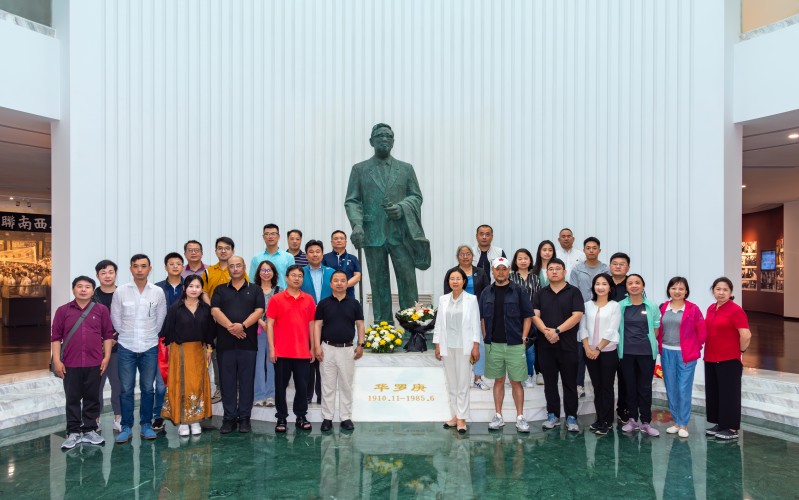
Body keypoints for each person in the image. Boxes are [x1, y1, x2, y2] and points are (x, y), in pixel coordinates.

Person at [344, 123, 431, 324]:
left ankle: (412, 327)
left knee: (408, 280)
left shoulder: (406, 169)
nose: (384, 139)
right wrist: (357, 225)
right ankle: (383, 328)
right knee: (378, 283)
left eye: (388, 136)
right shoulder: (360, 169)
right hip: (372, 234)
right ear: (371, 141)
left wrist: (402, 207)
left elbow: (416, 196)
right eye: (380, 135)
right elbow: (352, 200)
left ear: (393, 141)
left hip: (401, 234)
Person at [52, 276, 114, 449]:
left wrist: (107, 357)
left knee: (92, 398)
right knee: (72, 398)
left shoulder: (101, 310)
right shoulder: (63, 311)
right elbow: (55, 338)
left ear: (93, 291)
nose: (83, 289)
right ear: (73, 289)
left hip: (94, 362)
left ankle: (90, 430)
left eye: (87, 287)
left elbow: (108, 335)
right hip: (70, 363)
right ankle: (73, 432)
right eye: (79, 286)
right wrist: (57, 360)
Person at [110, 254, 168, 443]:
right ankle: (126, 426)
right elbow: (115, 318)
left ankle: (146, 425)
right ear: (130, 269)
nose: (140, 270)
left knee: (148, 389)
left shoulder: (157, 292)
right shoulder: (121, 291)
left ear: (150, 268)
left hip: (150, 346)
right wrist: (126, 335)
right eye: (136, 266)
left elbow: (161, 318)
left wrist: (150, 335)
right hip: (126, 346)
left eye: (143, 266)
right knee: (126, 389)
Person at [210, 256, 265, 434]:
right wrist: (231, 327)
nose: (235, 269)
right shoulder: (220, 290)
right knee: (227, 382)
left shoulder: (255, 289)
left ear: (244, 267)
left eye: (238, 265)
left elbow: (259, 311)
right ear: (228, 269)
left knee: (247, 382)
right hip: (225, 345)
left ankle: (245, 418)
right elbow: (215, 310)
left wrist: (243, 326)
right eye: (232, 266)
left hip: (248, 344)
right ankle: (229, 418)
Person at [479, 257, 534, 433]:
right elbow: (482, 317)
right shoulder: (486, 292)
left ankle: (520, 417)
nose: (501, 272)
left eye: (504, 269)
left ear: (509, 270)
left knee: (516, 381)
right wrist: (485, 336)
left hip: (515, 344)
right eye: (497, 269)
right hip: (493, 345)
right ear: (493, 271)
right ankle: (498, 416)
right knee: (498, 380)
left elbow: (528, 316)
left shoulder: (519, 290)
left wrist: (523, 338)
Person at [532, 258, 585, 432]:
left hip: (568, 347)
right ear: (546, 273)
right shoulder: (540, 293)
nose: (554, 271)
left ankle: (571, 417)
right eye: (551, 269)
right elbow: (534, 316)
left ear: (564, 272)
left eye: (558, 268)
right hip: (545, 346)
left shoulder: (574, 292)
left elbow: (577, 315)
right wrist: (546, 332)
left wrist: (557, 331)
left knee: (570, 383)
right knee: (550, 383)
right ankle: (552, 415)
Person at [158, 274, 214, 436]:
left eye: (197, 286)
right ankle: (182, 421)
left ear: (202, 289)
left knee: (197, 385)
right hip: (179, 351)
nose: (194, 289)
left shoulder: (206, 309)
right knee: (180, 384)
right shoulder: (175, 308)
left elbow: (210, 332)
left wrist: (209, 349)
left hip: (199, 351)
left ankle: (195, 420)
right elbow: (167, 331)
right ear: (184, 288)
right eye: (191, 286)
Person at [313, 270, 366, 432]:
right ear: (331, 284)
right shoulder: (323, 304)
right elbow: (317, 325)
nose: (339, 283)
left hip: (347, 349)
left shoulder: (354, 304)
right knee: (327, 385)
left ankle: (345, 417)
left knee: (346, 385)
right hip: (327, 349)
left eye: (343, 280)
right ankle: (327, 418)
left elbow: (360, 325)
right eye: (336, 280)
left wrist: (361, 344)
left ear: (347, 283)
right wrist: (316, 346)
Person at [267, 265, 317, 432]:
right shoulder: (276, 299)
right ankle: (281, 417)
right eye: (293, 275)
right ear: (286, 278)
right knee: (280, 387)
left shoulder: (308, 299)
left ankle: (301, 416)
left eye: (300, 276)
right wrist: (272, 349)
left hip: (302, 352)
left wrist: (312, 348)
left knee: (302, 387)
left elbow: (312, 325)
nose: (297, 278)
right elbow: (270, 324)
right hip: (281, 352)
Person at [658, 277, 706, 438]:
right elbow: (657, 329)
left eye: (681, 288)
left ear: (686, 291)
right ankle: (676, 422)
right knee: (671, 388)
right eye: (673, 288)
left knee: (683, 388)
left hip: (686, 354)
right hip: (667, 352)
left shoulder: (693, 309)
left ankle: (684, 424)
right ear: (669, 290)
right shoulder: (663, 308)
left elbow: (702, 332)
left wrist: (695, 348)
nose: (677, 291)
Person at [434, 268, 481, 433]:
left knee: (462, 383)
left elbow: (475, 324)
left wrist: (476, 346)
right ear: (448, 282)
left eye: (458, 279)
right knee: (452, 384)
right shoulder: (443, 299)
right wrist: (437, 344)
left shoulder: (471, 299)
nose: (455, 281)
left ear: (464, 281)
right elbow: (439, 323)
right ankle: (455, 415)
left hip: (464, 347)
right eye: (452, 279)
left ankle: (462, 418)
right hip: (447, 346)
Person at [704, 277, 752, 440]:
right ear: (713, 290)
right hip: (711, 357)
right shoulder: (711, 308)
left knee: (729, 394)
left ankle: (731, 428)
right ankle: (720, 423)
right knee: (715, 392)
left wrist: (741, 350)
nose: (721, 292)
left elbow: (746, 334)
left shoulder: (736, 310)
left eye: (725, 290)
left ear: (730, 292)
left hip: (729, 359)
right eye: (718, 289)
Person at [618, 274, 661, 436]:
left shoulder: (651, 305)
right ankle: (632, 420)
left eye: (637, 283)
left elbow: (656, 330)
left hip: (646, 353)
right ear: (626, 287)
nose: (634, 285)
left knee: (645, 388)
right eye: (630, 283)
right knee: (629, 387)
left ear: (643, 286)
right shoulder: (621, 306)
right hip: (626, 353)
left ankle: (646, 422)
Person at [578, 273, 621, 436]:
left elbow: (612, 329)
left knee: (606, 386)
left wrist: (598, 349)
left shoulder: (614, 306)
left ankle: (607, 421)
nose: (600, 287)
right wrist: (587, 348)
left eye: (604, 284)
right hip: (589, 352)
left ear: (610, 287)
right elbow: (582, 328)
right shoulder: (587, 305)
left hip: (607, 351)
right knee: (597, 387)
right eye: (597, 284)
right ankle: (600, 418)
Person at [444, 245, 490, 390]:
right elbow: (447, 294)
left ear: (472, 256)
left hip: (477, 313)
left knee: (478, 343)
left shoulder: (480, 272)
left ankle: (477, 378)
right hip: (456, 314)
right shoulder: (452, 273)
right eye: (462, 254)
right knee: (458, 344)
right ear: (457, 256)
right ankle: (460, 379)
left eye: (468, 254)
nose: (465, 257)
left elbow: (487, 293)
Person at [570, 237, 610, 399]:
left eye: (594, 248)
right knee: (580, 350)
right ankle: (578, 384)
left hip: (601, 312)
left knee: (600, 347)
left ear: (599, 250)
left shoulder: (606, 269)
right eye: (588, 248)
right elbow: (573, 291)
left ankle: (600, 385)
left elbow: (609, 290)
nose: (591, 250)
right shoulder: (577, 269)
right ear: (584, 250)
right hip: (582, 313)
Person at [153, 252, 185, 432]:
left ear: (183, 266)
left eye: (178, 263)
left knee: (183, 381)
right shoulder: (156, 288)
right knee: (160, 383)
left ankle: (183, 415)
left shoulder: (189, 286)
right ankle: (158, 416)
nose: (175, 267)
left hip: (185, 341)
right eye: (171, 264)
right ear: (166, 267)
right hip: (162, 341)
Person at [202, 236, 236, 403]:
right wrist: (214, 311)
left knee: (235, 355)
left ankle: (235, 389)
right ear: (215, 251)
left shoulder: (237, 269)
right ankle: (220, 389)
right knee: (216, 356)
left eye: (227, 248)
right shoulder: (208, 272)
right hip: (215, 322)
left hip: (234, 322)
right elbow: (204, 292)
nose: (223, 251)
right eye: (220, 248)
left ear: (232, 251)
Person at [301, 240, 335, 405]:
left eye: (318, 251)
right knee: (308, 359)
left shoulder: (331, 273)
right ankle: (307, 395)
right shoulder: (299, 273)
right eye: (311, 252)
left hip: (327, 322)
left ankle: (322, 395)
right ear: (306, 255)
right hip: (305, 322)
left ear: (322, 254)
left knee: (324, 359)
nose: (315, 254)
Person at [93, 259, 122, 432]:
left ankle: (118, 417)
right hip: (96, 349)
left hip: (119, 346)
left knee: (118, 383)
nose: (107, 276)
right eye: (103, 273)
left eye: (110, 272)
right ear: (97, 276)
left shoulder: (123, 294)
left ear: (115, 274)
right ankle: (94, 418)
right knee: (95, 385)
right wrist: (102, 340)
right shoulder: (91, 296)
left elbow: (130, 319)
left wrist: (113, 338)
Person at [509, 248, 540, 389]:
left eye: (526, 258)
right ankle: (514, 375)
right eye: (520, 258)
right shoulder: (510, 277)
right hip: (514, 318)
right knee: (513, 349)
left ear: (530, 261)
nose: (523, 261)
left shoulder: (535, 278)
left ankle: (528, 375)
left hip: (532, 317)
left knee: (529, 349)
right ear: (515, 261)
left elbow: (538, 298)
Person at [608, 251, 631, 423]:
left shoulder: (632, 284)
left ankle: (623, 409)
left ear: (627, 267)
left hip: (625, 338)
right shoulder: (604, 283)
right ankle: (606, 413)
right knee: (606, 379)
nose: (617, 266)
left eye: (621, 264)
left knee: (625, 377)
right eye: (614, 263)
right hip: (605, 339)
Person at [254, 260, 280, 408]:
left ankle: (271, 395)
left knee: (272, 362)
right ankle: (259, 396)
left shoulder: (280, 290)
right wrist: (261, 322)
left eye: (269, 270)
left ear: (274, 273)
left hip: (275, 331)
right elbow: (249, 309)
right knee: (258, 364)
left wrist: (270, 324)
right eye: (263, 270)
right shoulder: (252, 289)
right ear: (259, 273)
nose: (266, 273)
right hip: (257, 331)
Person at [531, 240, 556, 385]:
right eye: (544, 249)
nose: (547, 252)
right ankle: (539, 372)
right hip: (537, 311)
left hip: (555, 310)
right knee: (538, 342)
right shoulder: (533, 270)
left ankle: (553, 370)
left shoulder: (557, 269)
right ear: (539, 252)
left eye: (550, 250)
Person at [250, 224, 295, 289]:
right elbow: (252, 281)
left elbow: (292, 280)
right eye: (267, 234)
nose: (270, 236)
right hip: (261, 294)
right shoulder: (256, 258)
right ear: (263, 237)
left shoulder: (288, 257)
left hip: (283, 294)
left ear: (278, 236)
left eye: (273, 234)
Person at [322, 230, 362, 299]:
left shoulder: (353, 258)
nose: (339, 240)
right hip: (329, 297)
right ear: (331, 242)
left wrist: (344, 285)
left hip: (349, 297)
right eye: (336, 239)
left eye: (341, 238)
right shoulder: (325, 258)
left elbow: (357, 276)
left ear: (345, 242)